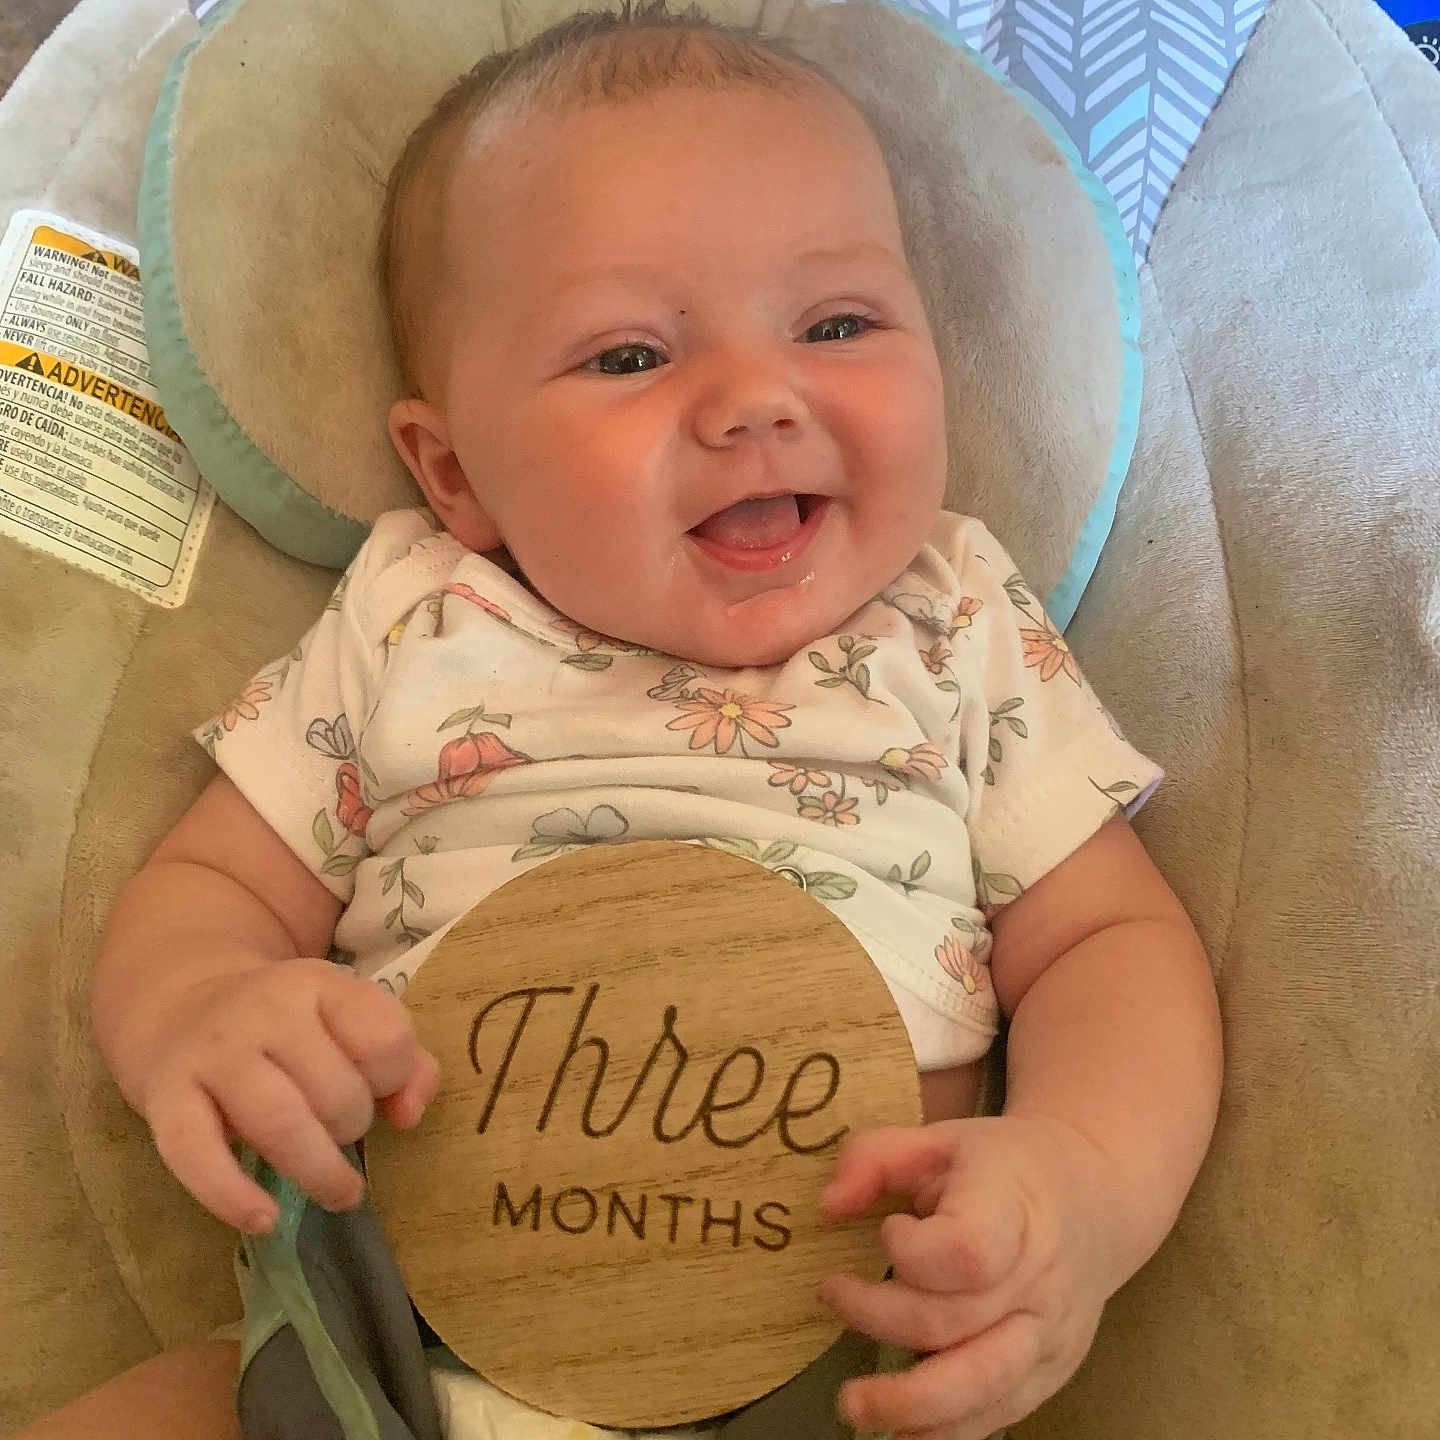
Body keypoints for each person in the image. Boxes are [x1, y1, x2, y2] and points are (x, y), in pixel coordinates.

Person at [31, 5, 1221, 1439]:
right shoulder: (419, 615)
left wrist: (1085, 1182)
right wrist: (201, 1016)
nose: (757, 400)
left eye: (837, 324)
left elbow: (1109, 943)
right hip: (401, 1327)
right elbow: (214, 883)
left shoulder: (954, 622)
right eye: (630, 358)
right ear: (454, 468)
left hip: (832, 1350)